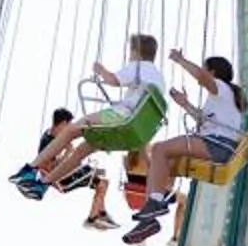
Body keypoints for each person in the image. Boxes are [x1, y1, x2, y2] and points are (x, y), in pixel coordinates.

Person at [16, 34, 166, 195]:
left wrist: (100, 70)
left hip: (121, 119)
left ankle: (31, 168)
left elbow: (113, 80)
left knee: (72, 129)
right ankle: (43, 185)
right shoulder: (160, 79)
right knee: (83, 150)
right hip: (131, 133)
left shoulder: (138, 66)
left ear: (136, 52)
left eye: (131, 51)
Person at [125, 50, 246, 245]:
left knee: (159, 150)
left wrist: (180, 60)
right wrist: (185, 103)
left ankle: (155, 203)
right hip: (214, 142)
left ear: (212, 72)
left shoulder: (221, 88)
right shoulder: (219, 98)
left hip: (217, 145)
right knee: (162, 164)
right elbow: (203, 120)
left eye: (206, 69)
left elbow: (200, 75)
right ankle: (149, 218)